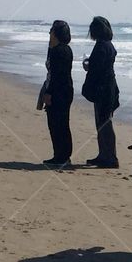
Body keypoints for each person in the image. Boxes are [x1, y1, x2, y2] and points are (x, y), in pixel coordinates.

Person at [82, 16, 120, 168]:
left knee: (104, 123)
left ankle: (109, 156)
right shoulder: (108, 45)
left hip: (103, 89)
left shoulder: (101, 46)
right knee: (103, 122)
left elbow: (96, 68)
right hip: (109, 87)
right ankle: (105, 154)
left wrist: (87, 64)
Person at [42, 20, 73, 166]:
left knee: (57, 124)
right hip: (64, 90)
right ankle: (61, 155)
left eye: (52, 31)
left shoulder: (59, 51)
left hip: (59, 91)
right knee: (60, 124)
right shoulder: (63, 49)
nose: (50, 33)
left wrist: (49, 93)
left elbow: (56, 75)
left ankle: (62, 156)